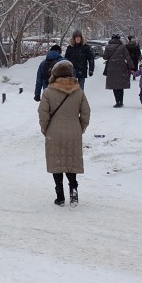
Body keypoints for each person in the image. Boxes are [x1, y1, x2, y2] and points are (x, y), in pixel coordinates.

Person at [38, 59, 91, 206]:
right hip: (74, 130)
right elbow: (86, 112)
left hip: (54, 131)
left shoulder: (48, 92)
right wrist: (81, 127)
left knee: (57, 162)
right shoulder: (78, 91)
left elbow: (43, 114)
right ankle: (73, 190)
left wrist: (45, 129)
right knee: (71, 161)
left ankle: (60, 196)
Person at [102, 33, 135, 107]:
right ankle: (121, 101)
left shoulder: (108, 47)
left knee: (114, 85)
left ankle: (117, 102)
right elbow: (128, 57)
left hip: (111, 68)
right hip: (121, 67)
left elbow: (105, 57)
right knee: (120, 85)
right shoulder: (122, 47)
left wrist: (104, 52)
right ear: (119, 39)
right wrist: (132, 66)